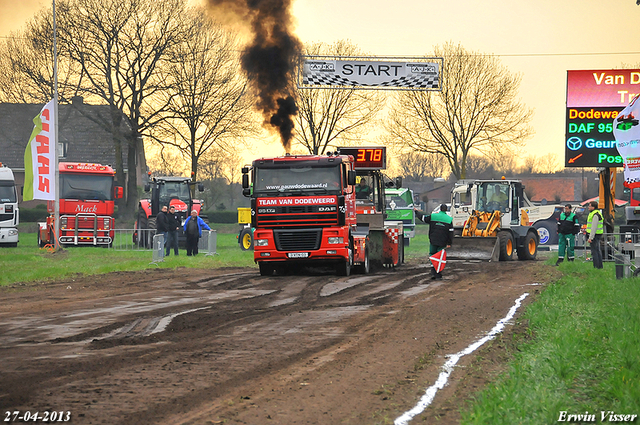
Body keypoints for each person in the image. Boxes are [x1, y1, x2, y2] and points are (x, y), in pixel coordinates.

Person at [414, 204, 454, 280]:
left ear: (440, 209)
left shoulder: (433, 216)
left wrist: (416, 211)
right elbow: (451, 232)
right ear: (446, 210)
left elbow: (422, 218)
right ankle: (438, 274)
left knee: (432, 254)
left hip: (433, 240)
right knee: (439, 257)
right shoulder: (449, 219)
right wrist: (449, 243)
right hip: (443, 241)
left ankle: (433, 272)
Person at [587, 200, 603, 269]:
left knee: (595, 252)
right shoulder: (596, 213)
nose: (588, 207)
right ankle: (599, 266)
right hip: (597, 234)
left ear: (593, 207)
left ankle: (596, 266)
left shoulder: (595, 215)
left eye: (589, 206)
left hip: (595, 235)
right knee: (597, 250)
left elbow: (593, 227)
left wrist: (591, 237)